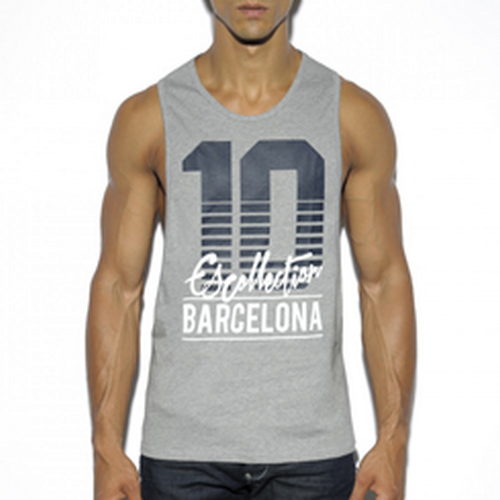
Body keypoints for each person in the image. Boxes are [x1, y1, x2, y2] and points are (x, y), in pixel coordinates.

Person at [86, 1, 416, 499]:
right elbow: (118, 287)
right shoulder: (148, 118)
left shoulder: (352, 116)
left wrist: (393, 441)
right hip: (182, 455)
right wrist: (106, 448)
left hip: (313, 452)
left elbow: (384, 281)